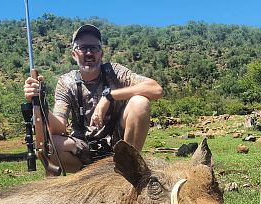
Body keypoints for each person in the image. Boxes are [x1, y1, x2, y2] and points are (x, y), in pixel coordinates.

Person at [24, 24, 163, 173]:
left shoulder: (115, 72)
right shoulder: (66, 82)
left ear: (101, 53)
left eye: (94, 48)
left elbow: (156, 89)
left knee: (140, 103)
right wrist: (40, 103)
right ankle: (88, 177)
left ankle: (129, 168)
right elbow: (59, 127)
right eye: (82, 48)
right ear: (74, 54)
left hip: (118, 142)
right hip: (82, 147)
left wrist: (109, 96)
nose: (89, 53)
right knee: (51, 144)